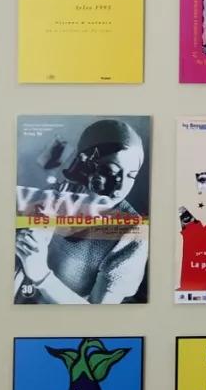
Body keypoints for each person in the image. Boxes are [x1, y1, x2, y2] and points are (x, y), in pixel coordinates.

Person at [15, 119, 148, 304]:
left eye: (131, 175)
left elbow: (102, 316)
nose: (121, 188)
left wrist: (41, 275)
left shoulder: (131, 232)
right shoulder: (59, 194)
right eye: (111, 171)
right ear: (85, 166)